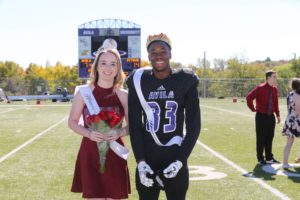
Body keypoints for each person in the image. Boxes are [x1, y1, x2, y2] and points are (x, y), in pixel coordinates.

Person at [127, 33, 201, 200]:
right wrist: (140, 161)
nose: (158, 55)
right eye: (153, 52)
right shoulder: (138, 80)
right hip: (148, 157)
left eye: (163, 50)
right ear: (148, 56)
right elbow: (135, 125)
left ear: (170, 54)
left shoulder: (185, 80)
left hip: (174, 156)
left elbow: (194, 126)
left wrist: (180, 160)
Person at [68, 44, 130, 199]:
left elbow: (133, 126)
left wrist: (119, 132)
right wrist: (88, 133)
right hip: (90, 152)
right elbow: (72, 122)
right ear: (96, 67)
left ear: (118, 68)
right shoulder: (84, 93)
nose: (108, 68)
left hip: (115, 151)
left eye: (113, 64)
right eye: (103, 63)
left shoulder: (124, 95)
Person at [246, 70, 281, 165]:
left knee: (270, 137)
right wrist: (253, 109)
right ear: (268, 77)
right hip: (261, 116)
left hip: (271, 117)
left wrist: (277, 115)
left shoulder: (274, 89)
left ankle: (269, 157)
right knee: (261, 138)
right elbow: (249, 97)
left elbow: (276, 103)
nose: (275, 78)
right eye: (274, 76)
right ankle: (260, 158)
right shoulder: (260, 88)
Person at [282, 78, 300, 168]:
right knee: (289, 142)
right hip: (297, 120)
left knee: (289, 142)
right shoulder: (297, 95)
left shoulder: (290, 94)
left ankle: (285, 163)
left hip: (290, 119)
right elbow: (298, 110)